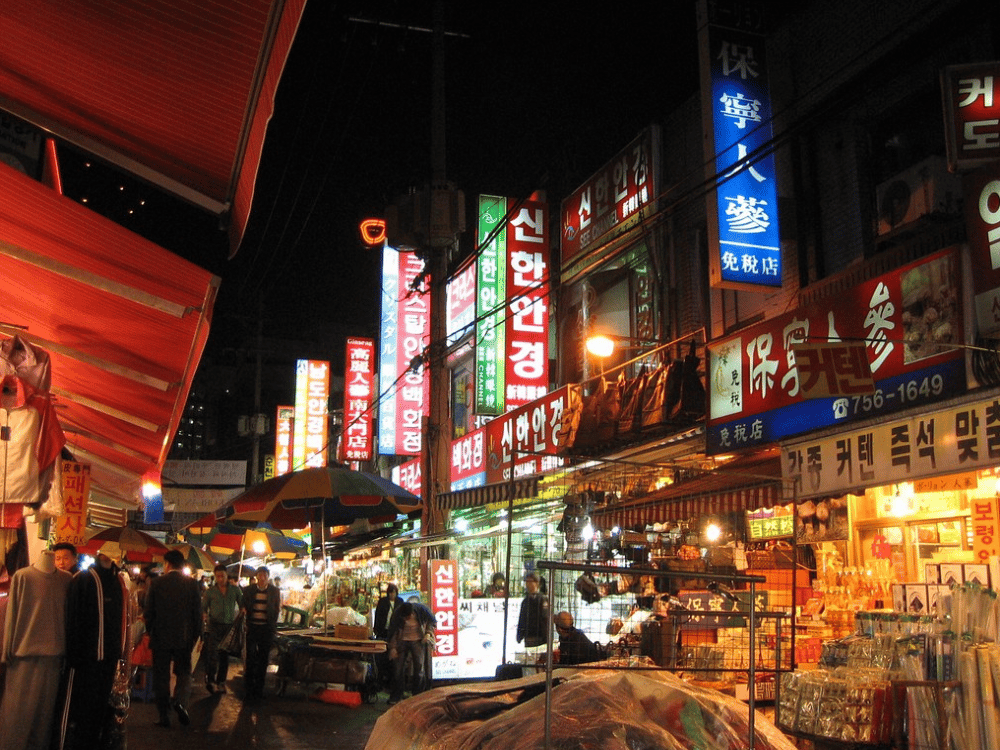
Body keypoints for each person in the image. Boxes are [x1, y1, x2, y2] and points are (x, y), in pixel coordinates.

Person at [58, 552, 132, 749]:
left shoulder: (116, 581)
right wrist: (74, 657)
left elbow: (123, 621)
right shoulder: (84, 580)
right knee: (78, 710)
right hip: (85, 660)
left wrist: (121, 655)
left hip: (107, 658)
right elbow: (73, 620)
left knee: (97, 711)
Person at [0, 549, 71, 750]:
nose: (60, 561)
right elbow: (11, 615)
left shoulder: (66, 580)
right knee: (16, 716)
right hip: (23, 657)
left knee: (44, 719)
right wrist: (7, 651)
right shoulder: (23, 577)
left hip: (55, 658)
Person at [143, 548, 202, 728]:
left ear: (167, 564)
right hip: (184, 637)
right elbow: (197, 613)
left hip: (161, 636)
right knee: (184, 672)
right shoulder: (192, 584)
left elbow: (148, 611)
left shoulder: (157, 583)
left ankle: (163, 715)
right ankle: (180, 701)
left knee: (161, 676)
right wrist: (196, 635)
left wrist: (150, 630)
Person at [201, 563, 244, 695]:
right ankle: (211, 680)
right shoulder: (210, 592)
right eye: (218, 576)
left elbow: (242, 604)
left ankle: (221, 682)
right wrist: (204, 616)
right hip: (213, 625)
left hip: (228, 626)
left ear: (227, 575)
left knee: (224, 656)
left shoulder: (235, 590)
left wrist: (243, 612)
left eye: (222, 576)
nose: (220, 579)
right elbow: (203, 608)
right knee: (212, 654)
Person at [385, 600, 435, 705]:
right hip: (401, 640)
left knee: (419, 669)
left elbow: (432, 621)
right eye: (404, 618)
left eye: (407, 617)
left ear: (412, 613)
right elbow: (393, 631)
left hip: (418, 640)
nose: (406, 620)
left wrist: (428, 633)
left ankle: (418, 695)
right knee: (398, 669)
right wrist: (393, 648)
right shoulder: (398, 614)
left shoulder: (421, 609)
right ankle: (397, 695)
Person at [242, 566, 279, 702]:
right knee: (250, 659)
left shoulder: (274, 591)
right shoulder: (248, 590)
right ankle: (248, 691)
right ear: (256, 576)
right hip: (252, 628)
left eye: (264, 575)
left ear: (268, 576)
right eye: (260, 575)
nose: (262, 578)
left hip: (266, 630)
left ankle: (259, 690)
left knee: (263, 660)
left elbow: (276, 610)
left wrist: (272, 627)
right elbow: (244, 604)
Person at [516, 571, 549, 649]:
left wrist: (546, 637)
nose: (528, 584)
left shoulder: (543, 599)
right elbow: (522, 619)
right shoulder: (525, 601)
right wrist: (519, 635)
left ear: (537, 583)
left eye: (530, 582)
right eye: (527, 582)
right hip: (529, 637)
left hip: (540, 637)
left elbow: (546, 619)